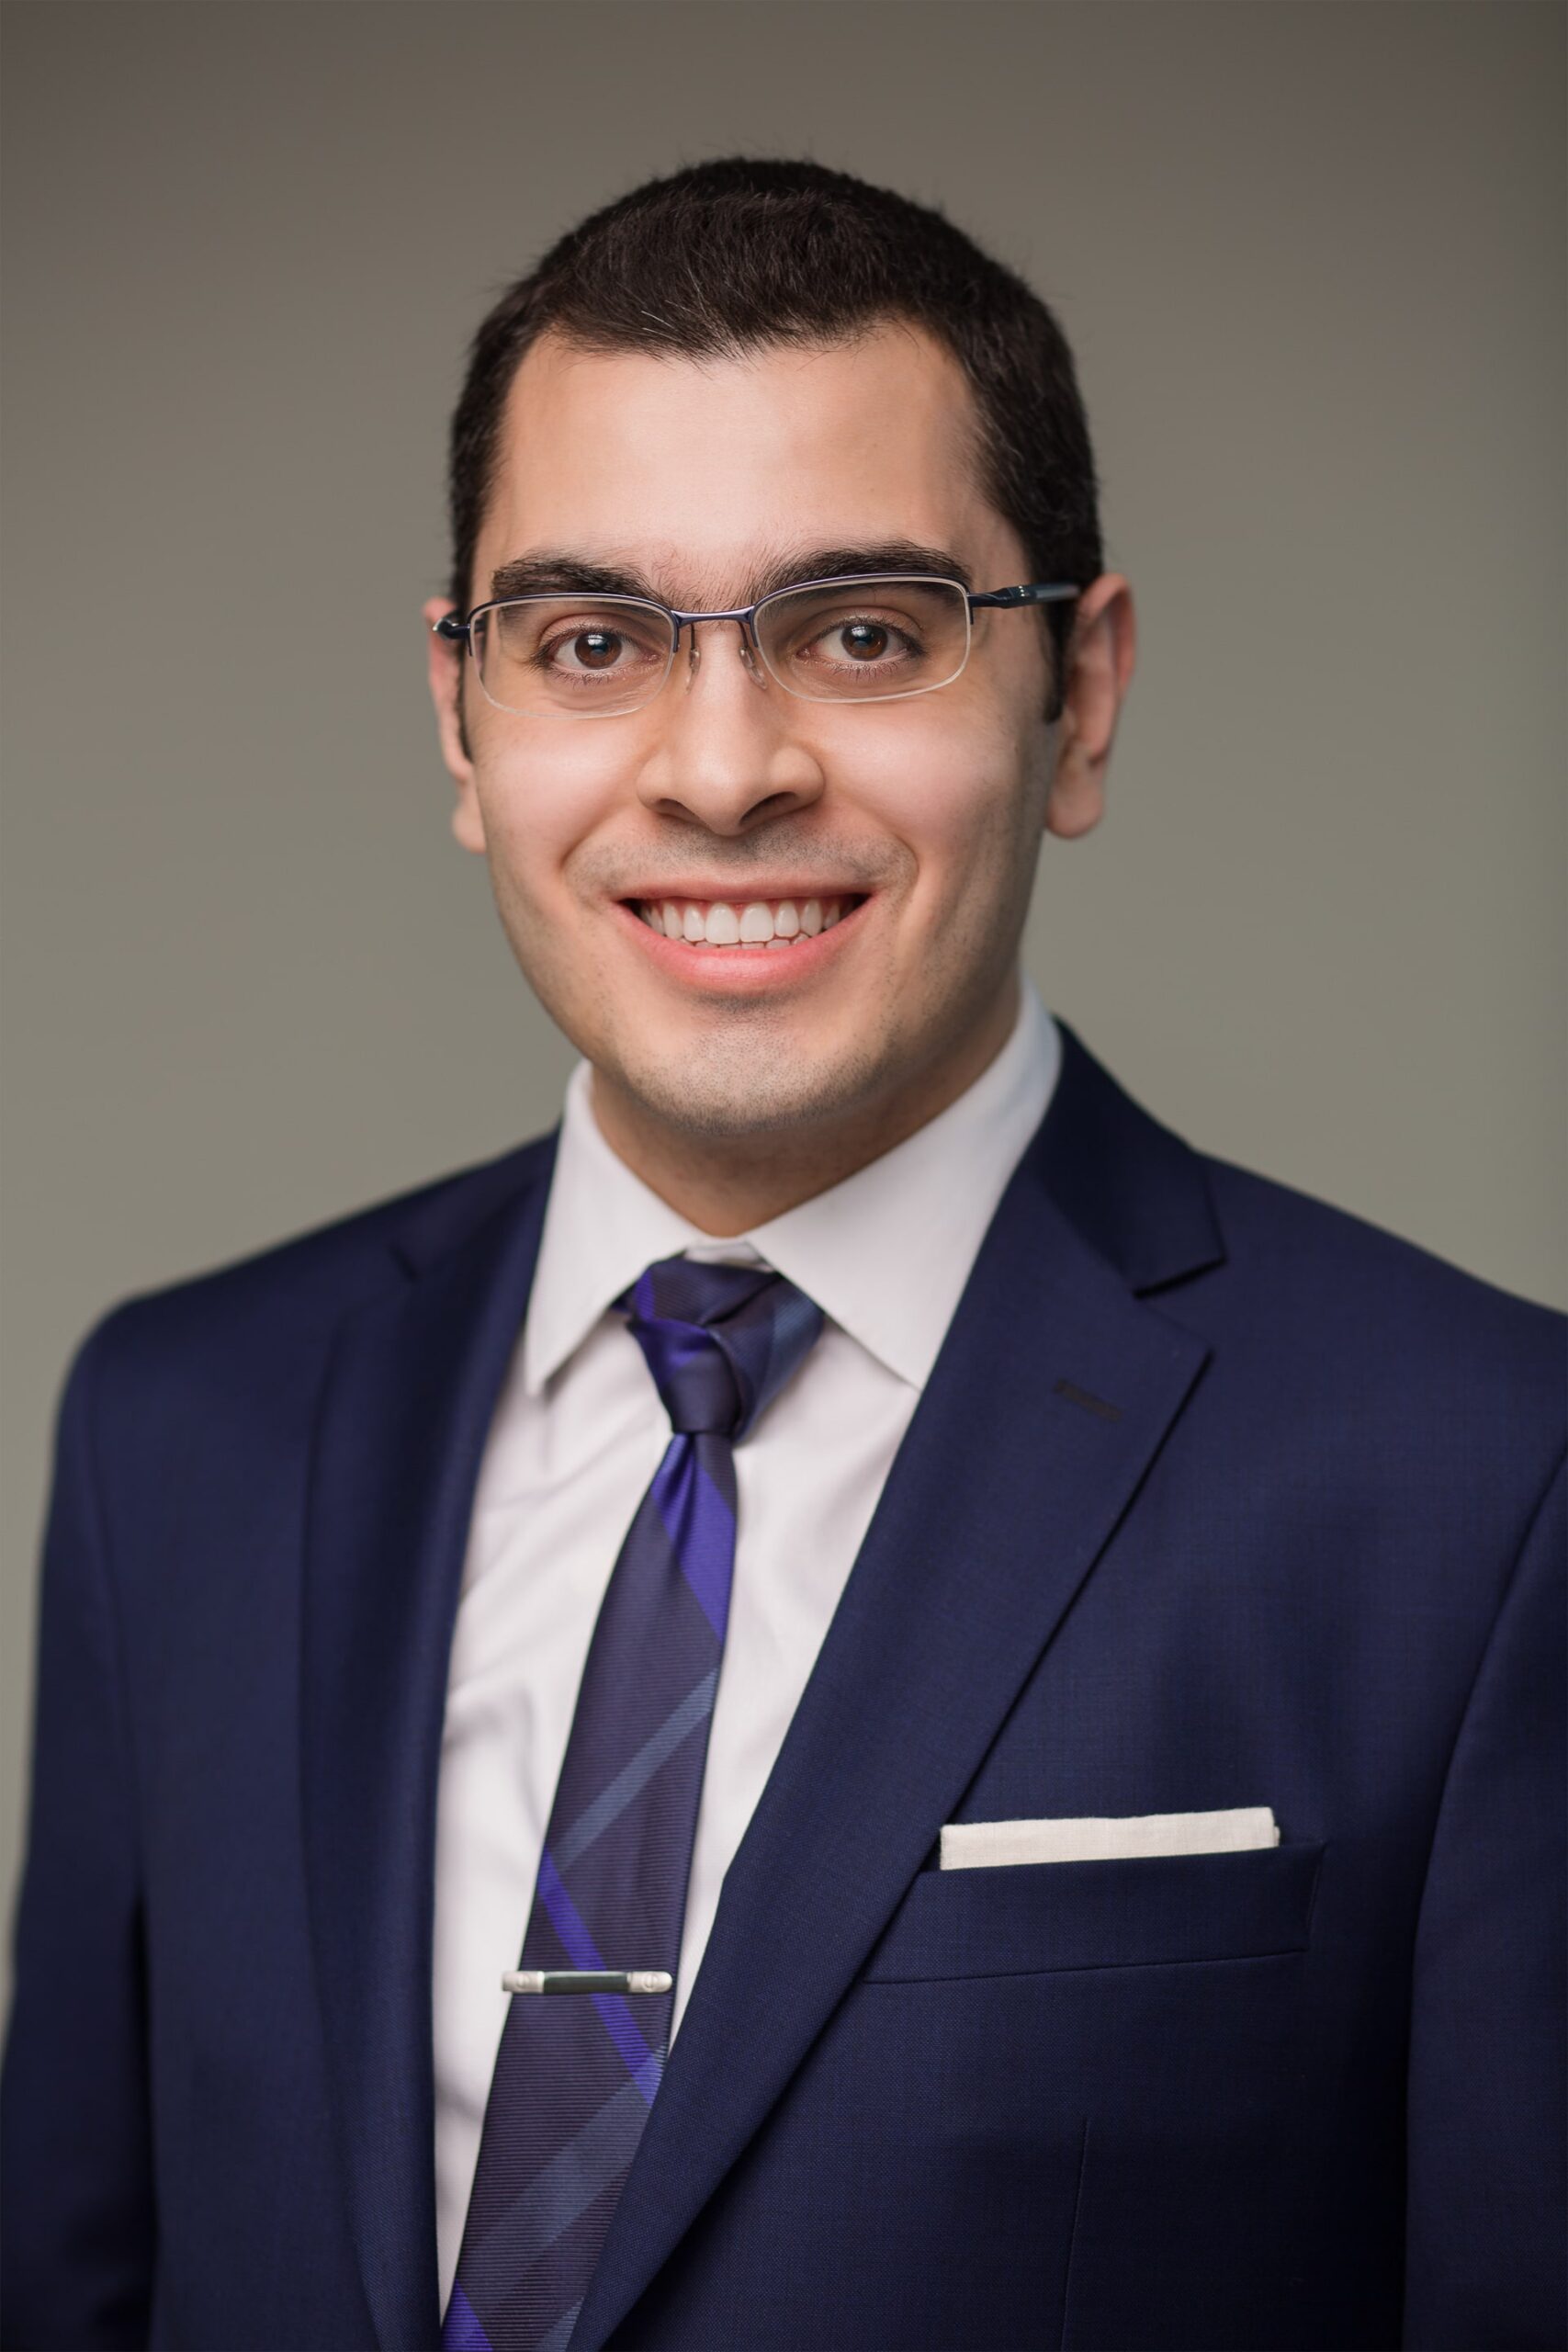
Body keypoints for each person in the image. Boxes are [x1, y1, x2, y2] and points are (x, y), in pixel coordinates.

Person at [2, 156, 1562, 2352]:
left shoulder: (1486, 1481)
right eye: (589, 640)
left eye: (860, 630)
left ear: (1078, 693)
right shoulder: (184, 1428)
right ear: (461, 719)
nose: (719, 768)